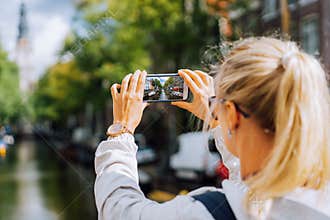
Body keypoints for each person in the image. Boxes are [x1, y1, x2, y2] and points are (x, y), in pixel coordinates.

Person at [94, 37, 330, 219]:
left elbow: (119, 211)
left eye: (218, 104)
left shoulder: (210, 212)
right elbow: (255, 183)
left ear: (233, 115)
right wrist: (222, 118)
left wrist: (121, 130)